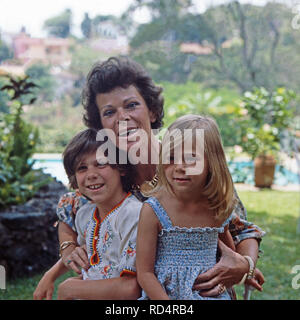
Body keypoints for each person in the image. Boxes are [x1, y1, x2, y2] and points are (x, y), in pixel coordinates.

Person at [34, 56, 265, 300]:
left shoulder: (189, 166)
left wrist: (244, 264)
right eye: (109, 112)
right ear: (100, 125)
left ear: (152, 111)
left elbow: (242, 230)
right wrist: (68, 246)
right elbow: (69, 211)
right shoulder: (110, 177)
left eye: (131, 105)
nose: (122, 117)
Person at [137, 114, 254, 300]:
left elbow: (229, 257)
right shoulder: (154, 210)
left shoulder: (217, 207)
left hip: (210, 294)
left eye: (191, 159)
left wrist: (245, 273)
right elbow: (144, 273)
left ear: (211, 163)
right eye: (171, 157)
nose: (179, 167)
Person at [34, 128, 142, 300]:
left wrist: (70, 289)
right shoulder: (85, 215)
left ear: (121, 168)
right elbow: (87, 253)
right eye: (82, 168)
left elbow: (132, 288)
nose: (91, 175)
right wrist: (51, 276)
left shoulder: (133, 214)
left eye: (100, 164)